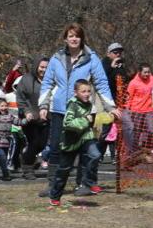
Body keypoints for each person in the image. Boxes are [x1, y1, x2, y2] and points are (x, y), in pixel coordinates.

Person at [38, 24, 118, 196]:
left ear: (82, 39)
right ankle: (53, 185)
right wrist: (44, 106)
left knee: (84, 148)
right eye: (70, 36)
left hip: (84, 111)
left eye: (77, 36)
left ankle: (84, 184)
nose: (74, 39)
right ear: (65, 38)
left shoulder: (92, 58)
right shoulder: (56, 58)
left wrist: (110, 106)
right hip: (60, 110)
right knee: (55, 148)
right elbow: (47, 83)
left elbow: (102, 83)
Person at [48, 79, 101, 207]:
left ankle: (89, 182)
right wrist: (84, 120)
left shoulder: (89, 104)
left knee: (95, 155)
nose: (87, 94)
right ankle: (55, 196)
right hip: (71, 141)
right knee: (64, 170)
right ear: (75, 93)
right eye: (83, 91)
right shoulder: (72, 105)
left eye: (89, 91)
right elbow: (67, 123)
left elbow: (91, 121)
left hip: (85, 138)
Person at [15, 57, 48, 178]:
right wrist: (26, 111)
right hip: (29, 117)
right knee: (34, 142)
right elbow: (20, 97)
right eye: (42, 67)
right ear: (36, 66)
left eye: (46, 67)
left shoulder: (51, 80)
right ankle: (28, 168)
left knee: (42, 144)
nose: (44, 70)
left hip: (45, 117)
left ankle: (25, 156)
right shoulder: (26, 79)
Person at [124, 63, 153, 158]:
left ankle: (148, 149)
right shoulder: (133, 83)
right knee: (136, 131)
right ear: (139, 72)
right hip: (136, 110)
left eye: (148, 72)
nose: (147, 74)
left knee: (151, 130)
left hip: (149, 110)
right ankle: (133, 151)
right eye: (145, 72)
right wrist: (127, 109)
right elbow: (128, 97)